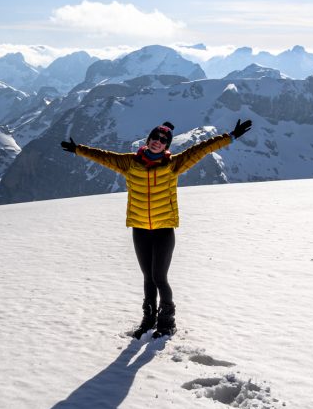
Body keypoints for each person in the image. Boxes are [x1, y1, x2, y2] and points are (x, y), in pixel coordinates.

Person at [60, 118, 252, 338]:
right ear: (148, 139)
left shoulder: (174, 165)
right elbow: (103, 157)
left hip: (163, 229)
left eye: (163, 140)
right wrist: (78, 150)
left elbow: (201, 150)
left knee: (160, 277)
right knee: (148, 277)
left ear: (167, 145)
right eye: (155, 138)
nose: (157, 142)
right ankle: (148, 320)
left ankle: (167, 322)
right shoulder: (130, 163)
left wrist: (231, 136)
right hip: (140, 228)